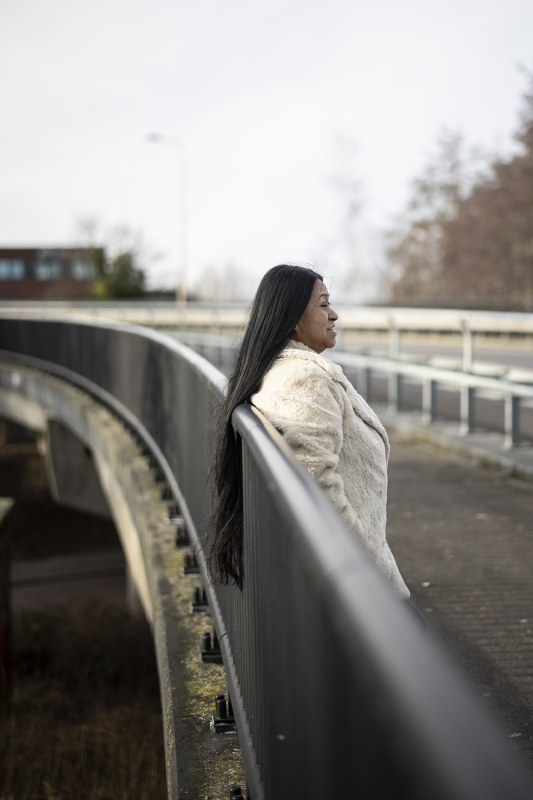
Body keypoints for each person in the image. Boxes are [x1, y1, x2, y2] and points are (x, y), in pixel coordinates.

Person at [209, 263, 409, 601]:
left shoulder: (288, 370)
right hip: (354, 586)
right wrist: (367, 576)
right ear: (292, 317)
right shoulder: (304, 379)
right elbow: (316, 482)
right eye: (323, 304)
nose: (334, 315)